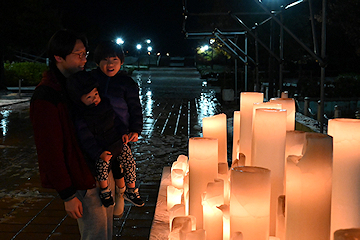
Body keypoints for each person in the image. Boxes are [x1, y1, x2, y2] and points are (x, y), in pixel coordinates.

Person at [30, 29, 114, 240]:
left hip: (100, 169)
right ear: (59, 57)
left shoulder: (78, 84)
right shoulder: (47, 96)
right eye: (79, 54)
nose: (84, 59)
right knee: (96, 235)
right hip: (82, 179)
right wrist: (67, 194)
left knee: (107, 232)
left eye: (85, 53)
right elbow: (49, 149)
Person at [66, 71, 144, 218]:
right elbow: (86, 138)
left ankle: (132, 190)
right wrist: (98, 153)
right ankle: (105, 192)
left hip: (117, 142)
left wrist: (123, 133)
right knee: (102, 168)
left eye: (95, 95)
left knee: (129, 163)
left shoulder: (106, 104)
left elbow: (117, 122)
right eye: (88, 98)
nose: (94, 99)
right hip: (103, 148)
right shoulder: (82, 116)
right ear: (79, 100)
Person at [91, 40, 144, 209]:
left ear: (121, 61)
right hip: (99, 131)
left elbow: (135, 107)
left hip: (121, 132)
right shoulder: (92, 79)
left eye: (114, 60)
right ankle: (107, 192)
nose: (110, 64)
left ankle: (123, 194)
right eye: (105, 60)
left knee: (123, 162)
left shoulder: (126, 83)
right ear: (97, 62)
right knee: (104, 162)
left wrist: (135, 129)